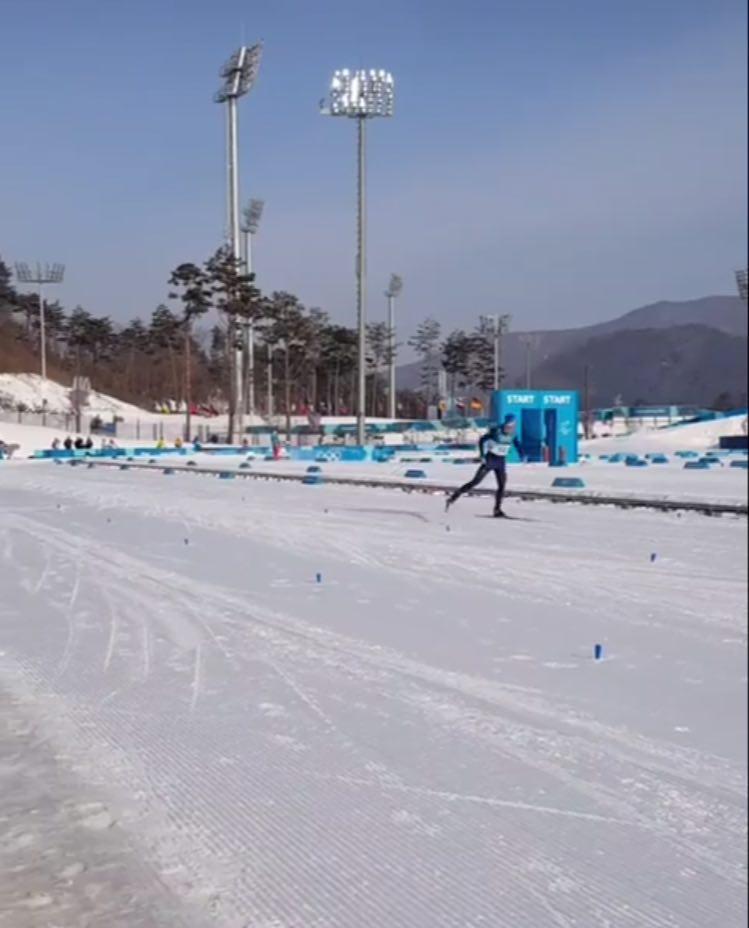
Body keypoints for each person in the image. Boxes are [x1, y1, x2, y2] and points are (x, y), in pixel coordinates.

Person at [445, 415, 524, 517]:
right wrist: (482, 455)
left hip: (501, 461)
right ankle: (453, 498)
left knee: (502, 486)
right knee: (475, 482)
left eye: (512, 427)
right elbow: (482, 440)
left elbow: (517, 443)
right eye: (508, 426)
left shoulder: (513, 434)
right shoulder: (496, 431)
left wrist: (522, 453)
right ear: (505, 424)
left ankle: (497, 510)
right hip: (490, 460)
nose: (509, 429)